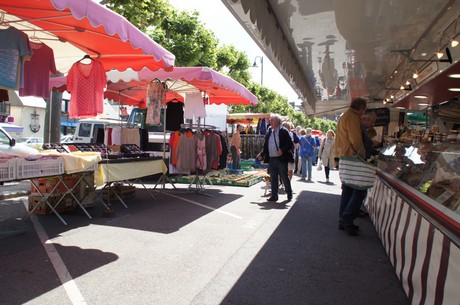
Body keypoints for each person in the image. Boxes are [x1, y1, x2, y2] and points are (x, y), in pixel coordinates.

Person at [334, 97, 368, 236]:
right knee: (360, 190)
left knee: (347, 190)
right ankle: (347, 219)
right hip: (352, 157)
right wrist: (364, 154)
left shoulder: (344, 116)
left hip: (344, 156)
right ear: (361, 109)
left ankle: (343, 219)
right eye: (364, 111)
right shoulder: (353, 118)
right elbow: (356, 139)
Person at [257, 114, 293, 202]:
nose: (270, 121)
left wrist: (282, 150)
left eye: (272, 120)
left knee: (284, 176)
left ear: (278, 121)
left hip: (281, 158)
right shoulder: (269, 131)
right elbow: (266, 145)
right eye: (270, 120)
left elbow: (290, 143)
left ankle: (289, 192)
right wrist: (261, 154)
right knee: (273, 177)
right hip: (272, 158)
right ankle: (274, 195)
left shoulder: (283, 131)